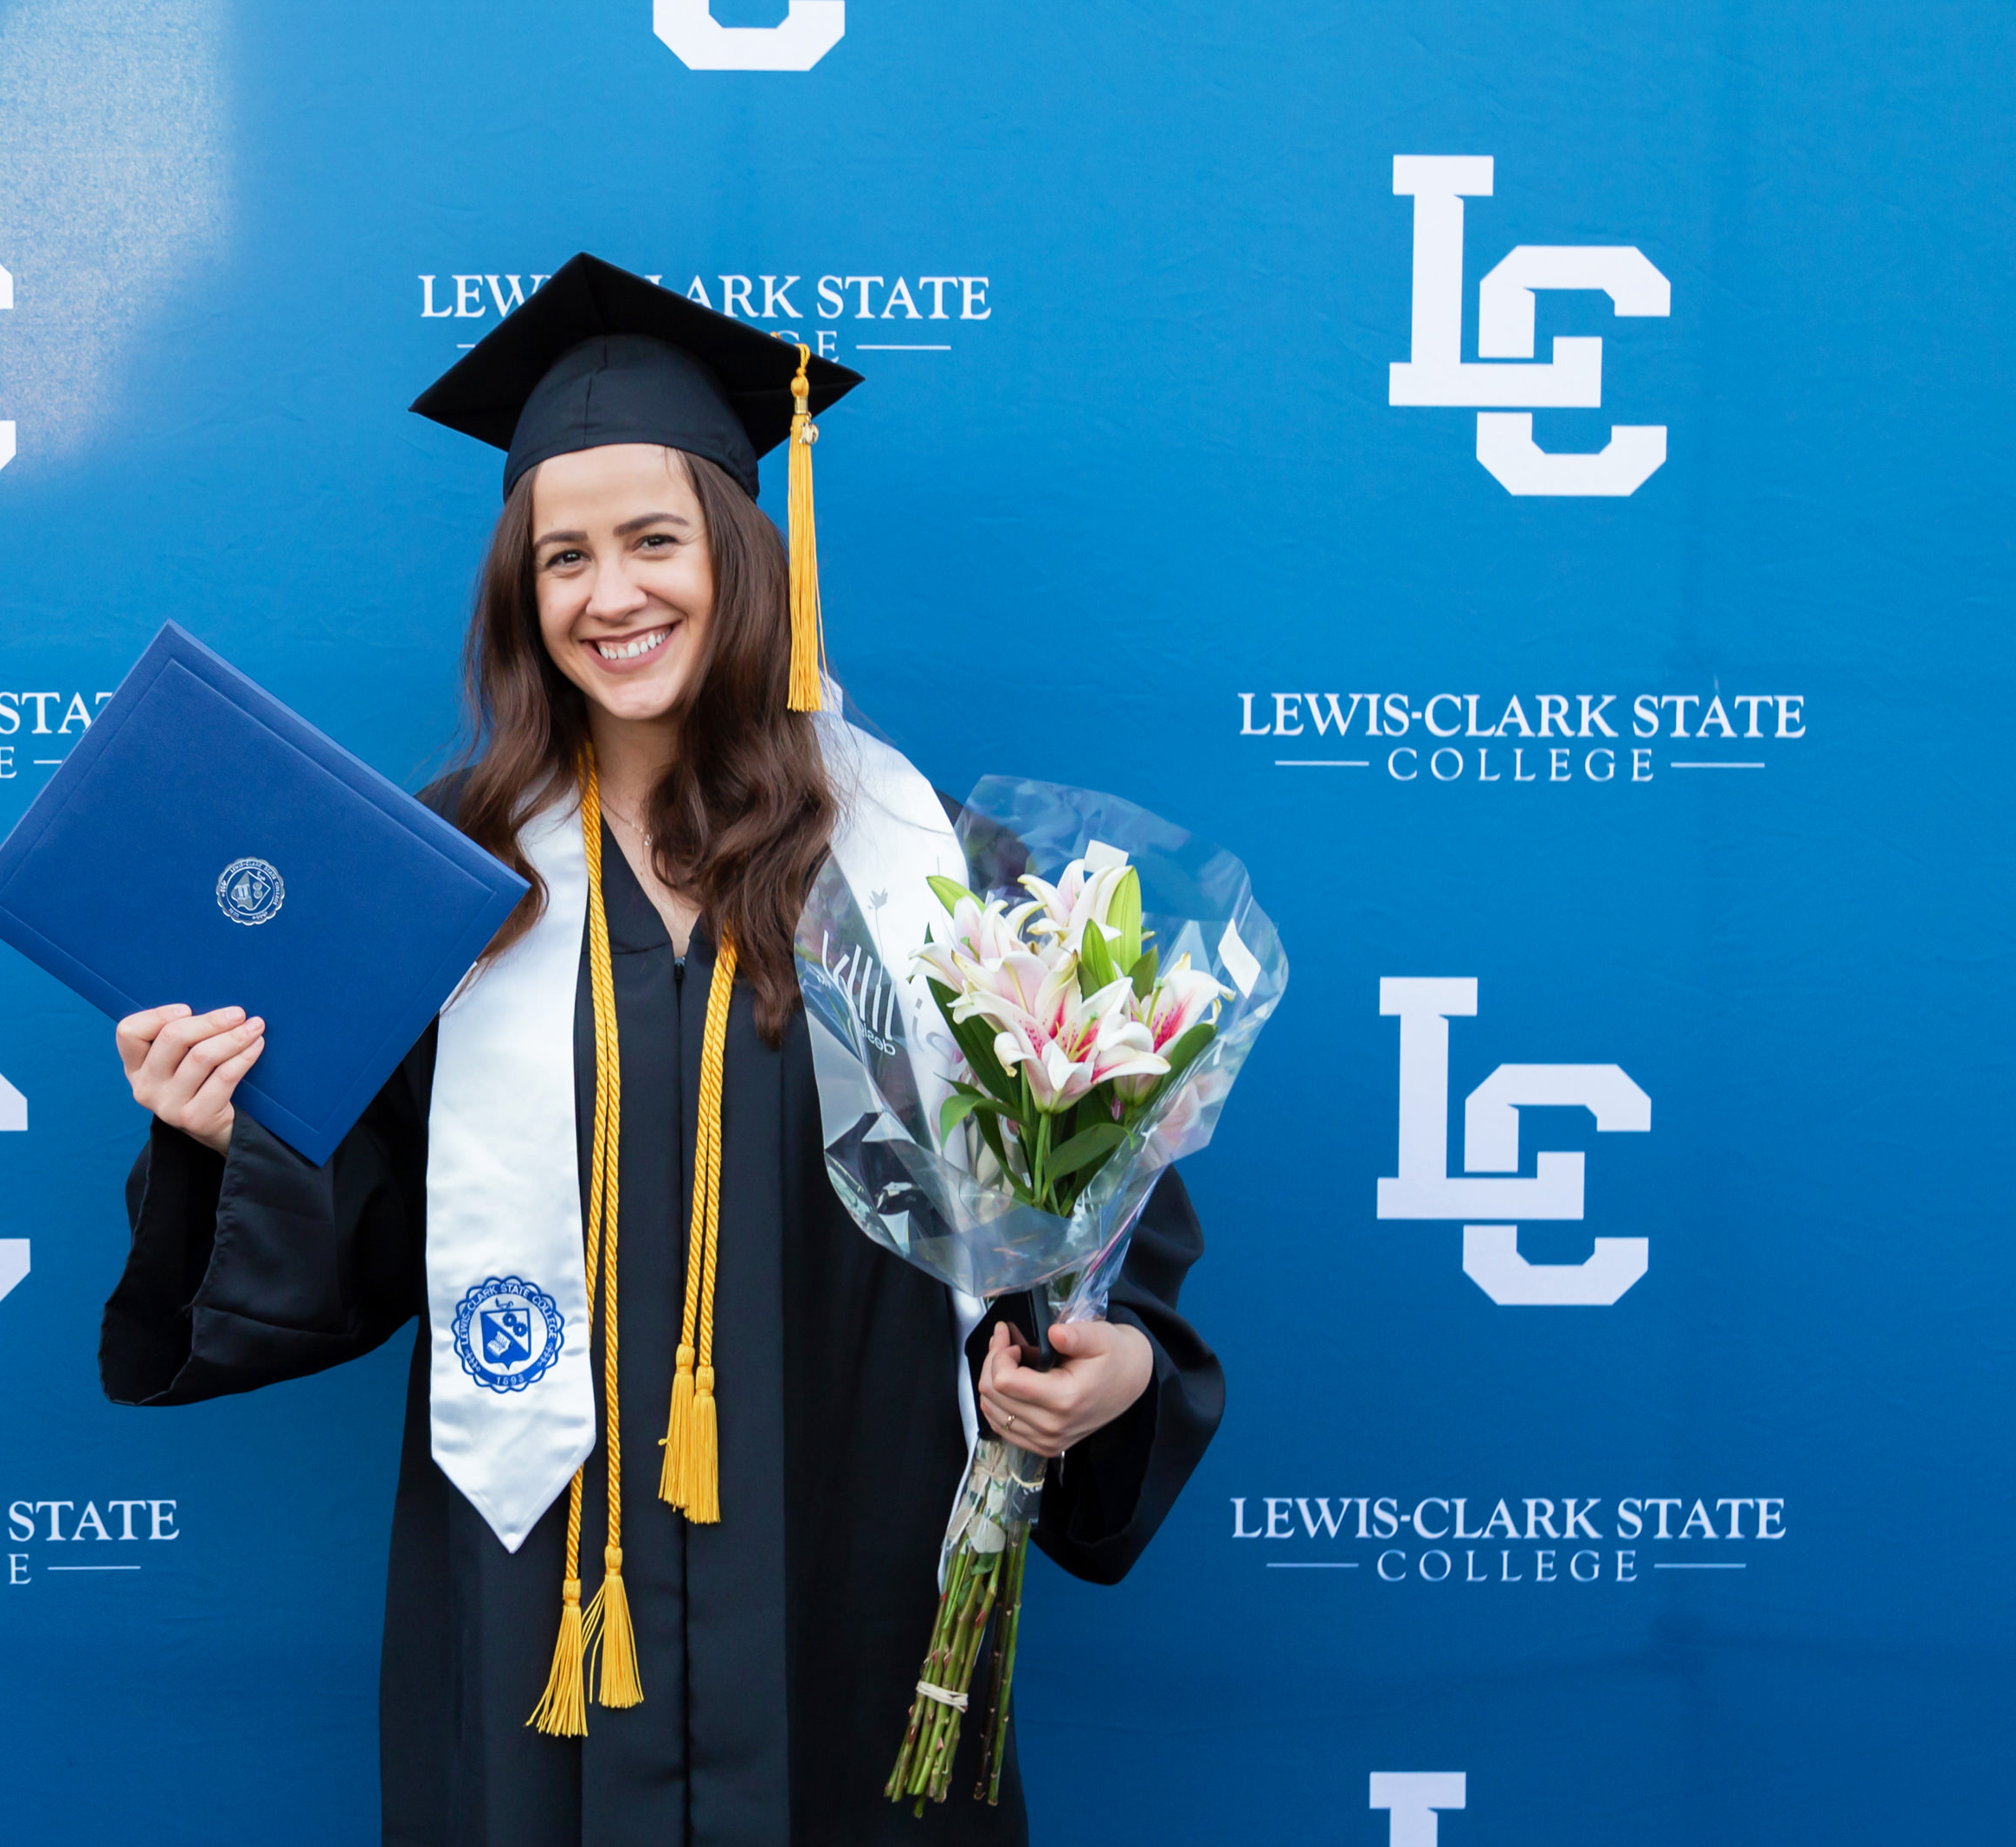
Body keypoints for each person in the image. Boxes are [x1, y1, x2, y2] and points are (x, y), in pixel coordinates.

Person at [98, 254, 1222, 1846]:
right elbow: (344, 1248)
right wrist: (218, 1136)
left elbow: (1084, 1251)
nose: (610, 594)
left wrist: (1111, 1376)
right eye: (564, 556)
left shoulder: (938, 881)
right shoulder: (447, 892)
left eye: (652, 539)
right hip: (542, 1617)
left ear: (745, 556)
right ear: (521, 594)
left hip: (858, 1593)